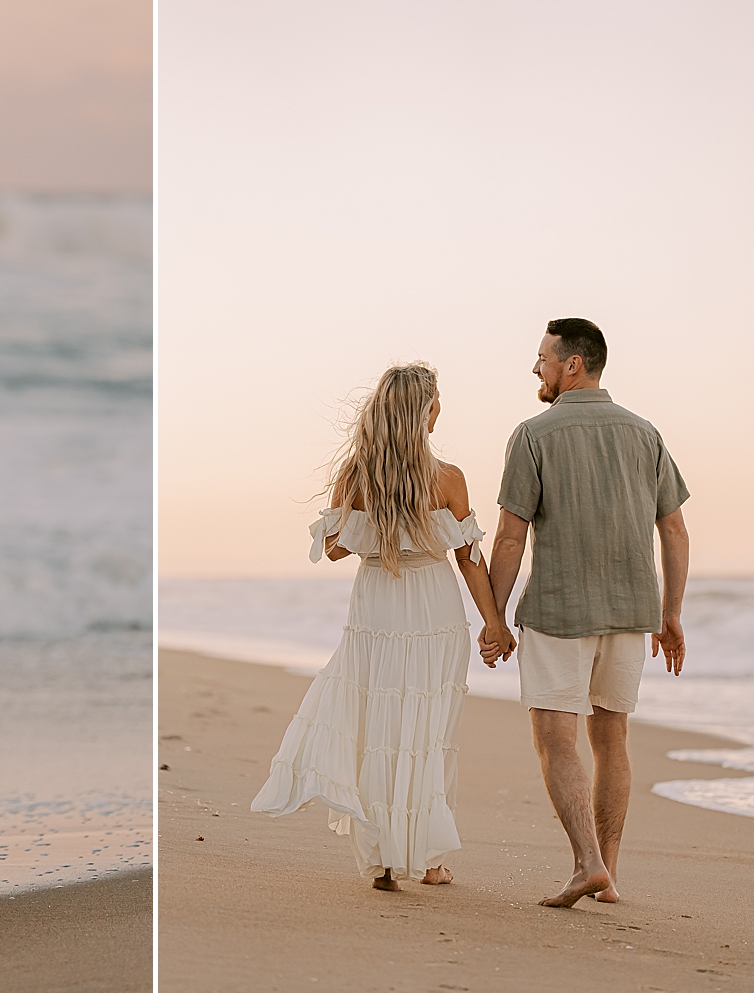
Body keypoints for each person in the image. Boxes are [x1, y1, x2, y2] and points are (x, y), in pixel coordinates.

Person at [251, 362, 512, 891]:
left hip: (375, 610)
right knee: (429, 733)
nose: (440, 413)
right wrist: (493, 623)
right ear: (423, 412)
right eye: (436, 404)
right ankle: (430, 860)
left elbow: (333, 547)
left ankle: (384, 861)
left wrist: (374, 513)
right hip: (434, 611)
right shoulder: (449, 479)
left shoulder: (355, 476)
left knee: (377, 729)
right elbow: (468, 559)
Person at [480, 318, 690, 908]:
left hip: (558, 609)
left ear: (573, 363)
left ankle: (587, 865)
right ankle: (609, 876)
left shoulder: (532, 434)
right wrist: (670, 612)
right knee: (611, 737)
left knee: (556, 739)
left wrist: (494, 619)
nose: (536, 367)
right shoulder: (644, 433)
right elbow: (674, 529)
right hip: (632, 609)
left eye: (543, 357)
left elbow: (508, 539)